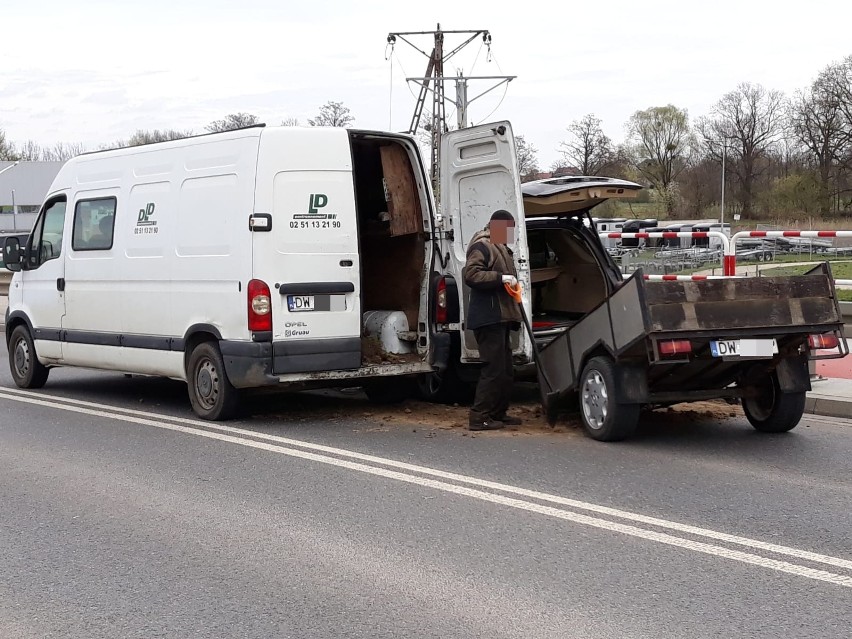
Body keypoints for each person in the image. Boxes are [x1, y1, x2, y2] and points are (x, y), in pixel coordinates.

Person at [463, 209, 523, 431]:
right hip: (488, 317)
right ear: (498, 226)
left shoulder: (501, 248)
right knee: (493, 369)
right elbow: (471, 275)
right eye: (508, 229)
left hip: (501, 317)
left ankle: (498, 413)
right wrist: (501, 278)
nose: (510, 234)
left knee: (506, 370)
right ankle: (479, 417)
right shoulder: (482, 245)